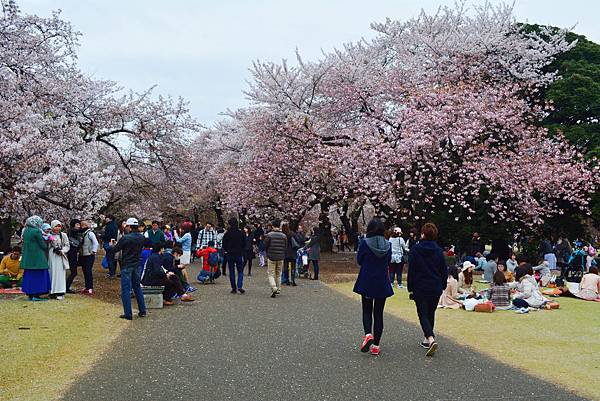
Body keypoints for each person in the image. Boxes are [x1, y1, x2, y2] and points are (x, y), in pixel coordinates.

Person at [353, 218, 392, 356]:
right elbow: (388, 261)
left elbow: (359, 260)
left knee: (366, 310)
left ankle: (368, 334)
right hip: (382, 281)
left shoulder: (364, 243)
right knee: (379, 313)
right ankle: (376, 346)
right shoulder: (388, 244)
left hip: (367, 280)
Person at [407, 223, 446, 357]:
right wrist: (443, 285)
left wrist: (410, 287)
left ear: (423, 234)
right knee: (431, 312)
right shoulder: (439, 251)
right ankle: (426, 340)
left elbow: (411, 270)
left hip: (420, 285)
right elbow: (443, 270)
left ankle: (430, 338)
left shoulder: (416, 250)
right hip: (435, 286)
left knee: (422, 313)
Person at [109, 218, 147, 320]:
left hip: (127, 265)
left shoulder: (125, 238)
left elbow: (115, 249)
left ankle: (128, 314)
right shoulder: (141, 237)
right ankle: (142, 310)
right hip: (137, 264)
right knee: (137, 287)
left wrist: (111, 245)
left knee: (125, 289)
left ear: (129, 227)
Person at [20, 216, 51, 301]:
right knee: (39, 276)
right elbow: (43, 245)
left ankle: (30, 295)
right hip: (38, 258)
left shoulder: (26, 230)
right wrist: (48, 240)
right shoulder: (37, 231)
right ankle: (36, 295)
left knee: (29, 276)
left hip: (28, 258)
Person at [264, 218, 287, 298]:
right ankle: (279, 288)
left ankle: (274, 287)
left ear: (273, 226)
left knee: (271, 273)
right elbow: (285, 246)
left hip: (271, 256)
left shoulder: (269, 235)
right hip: (281, 257)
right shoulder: (284, 236)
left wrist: (267, 253)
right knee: (278, 273)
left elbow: (265, 245)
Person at [222, 217, 246, 294]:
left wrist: (227, 250)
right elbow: (244, 243)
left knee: (231, 271)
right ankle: (239, 286)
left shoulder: (227, 234)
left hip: (230, 254)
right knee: (240, 271)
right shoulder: (241, 233)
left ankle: (233, 288)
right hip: (239, 254)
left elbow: (224, 244)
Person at [48, 220, 70, 300]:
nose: (57, 228)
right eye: (55, 226)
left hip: (60, 256)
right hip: (51, 256)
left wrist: (62, 250)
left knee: (60, 273)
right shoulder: (48, 235)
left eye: (59, 226)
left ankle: (60, 291)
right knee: (51, 272)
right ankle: (51, 291)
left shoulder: (63, 235)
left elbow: (67, 245)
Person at [174, 225, 195, 293]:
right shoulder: (188, 234)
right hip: (186, 251)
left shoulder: (186, 235)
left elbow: (179, 241)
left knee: (182, 267)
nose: (180, 230)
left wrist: (175, 234)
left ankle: (185, 283)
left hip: (184, 252)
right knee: (183, 267)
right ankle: (186, 283)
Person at [79, 220, 98, 296]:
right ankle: (87, 286)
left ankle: (90, 287)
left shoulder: (90, 233)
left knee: (88, 270)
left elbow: (95, 242)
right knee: (84, 270)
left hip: (89, 254)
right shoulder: (82, 234)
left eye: (83, 225)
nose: (82, 227)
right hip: (83, 254)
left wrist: (94, 251)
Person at [65, 220, 82, 293]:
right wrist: (87, 228)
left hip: (74, 253)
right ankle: (66, 287)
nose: (79, 226)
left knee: (73, 272)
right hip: (71, 254)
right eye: (77, 224)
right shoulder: (72, 231)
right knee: (73, 272)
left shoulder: (73, 232)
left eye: (79, 224)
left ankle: (66, 287)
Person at [282, 223, 299, 287]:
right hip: (293, 252)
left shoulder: (283, 235)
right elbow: (298, 241)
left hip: (285, 252)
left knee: (286, 267)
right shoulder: (292, 233)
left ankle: (287, 280)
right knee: (293, 266)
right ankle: (293, 280)